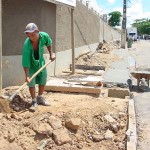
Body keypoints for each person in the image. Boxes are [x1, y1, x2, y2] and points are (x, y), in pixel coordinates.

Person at [22, 23, 56, 112]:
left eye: (33, 35)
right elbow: (26, 61)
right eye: (29, 35)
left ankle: (40, 97)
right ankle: (34, 101)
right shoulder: (27, 44)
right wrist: (27, 76)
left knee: (43, 80)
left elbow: (49, 43)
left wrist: (51, 53)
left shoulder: (44, 36)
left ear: (37, 31)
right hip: (31, 65)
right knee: (31, 83)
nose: (31, 37)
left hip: (41, 62)